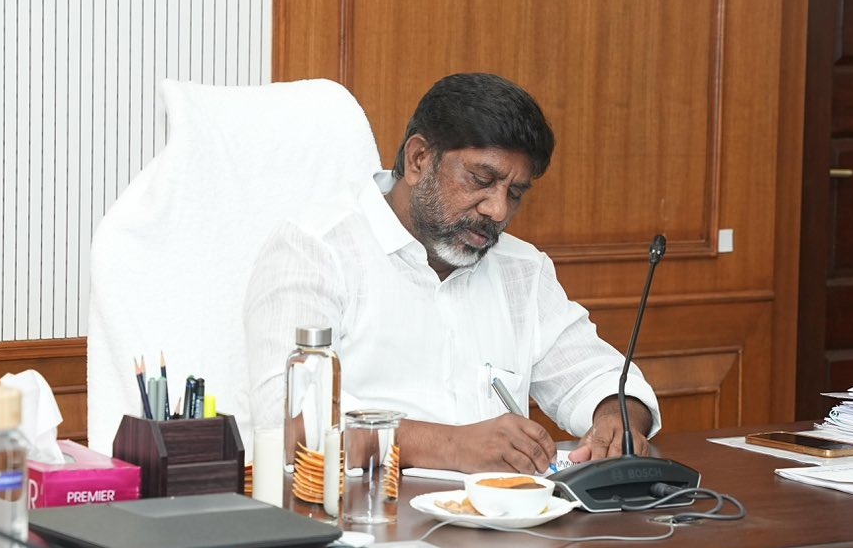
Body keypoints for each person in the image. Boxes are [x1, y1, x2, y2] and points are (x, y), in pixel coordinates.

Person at [244, 73, 660, 474]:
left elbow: (598, 377)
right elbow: (287, 419)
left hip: (506, 516)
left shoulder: (521, 270)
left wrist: (616, 419)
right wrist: (451, 445)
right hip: (370, 510)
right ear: (419, 159)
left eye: (515, 193)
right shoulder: (316, 249)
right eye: (481, 180)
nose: (497, 210)